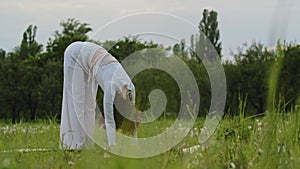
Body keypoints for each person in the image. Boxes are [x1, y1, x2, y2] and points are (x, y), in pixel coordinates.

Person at [60, 41, 136, 150]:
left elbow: (132, 120)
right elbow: (109, 121)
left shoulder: (131, 88)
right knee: (77, 103)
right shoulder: (111, 88)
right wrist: (112, 146)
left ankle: (88, 146)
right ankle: (73, 145)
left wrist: (135, 145)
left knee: (90, 106)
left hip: (92, 62)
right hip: (75, 54)